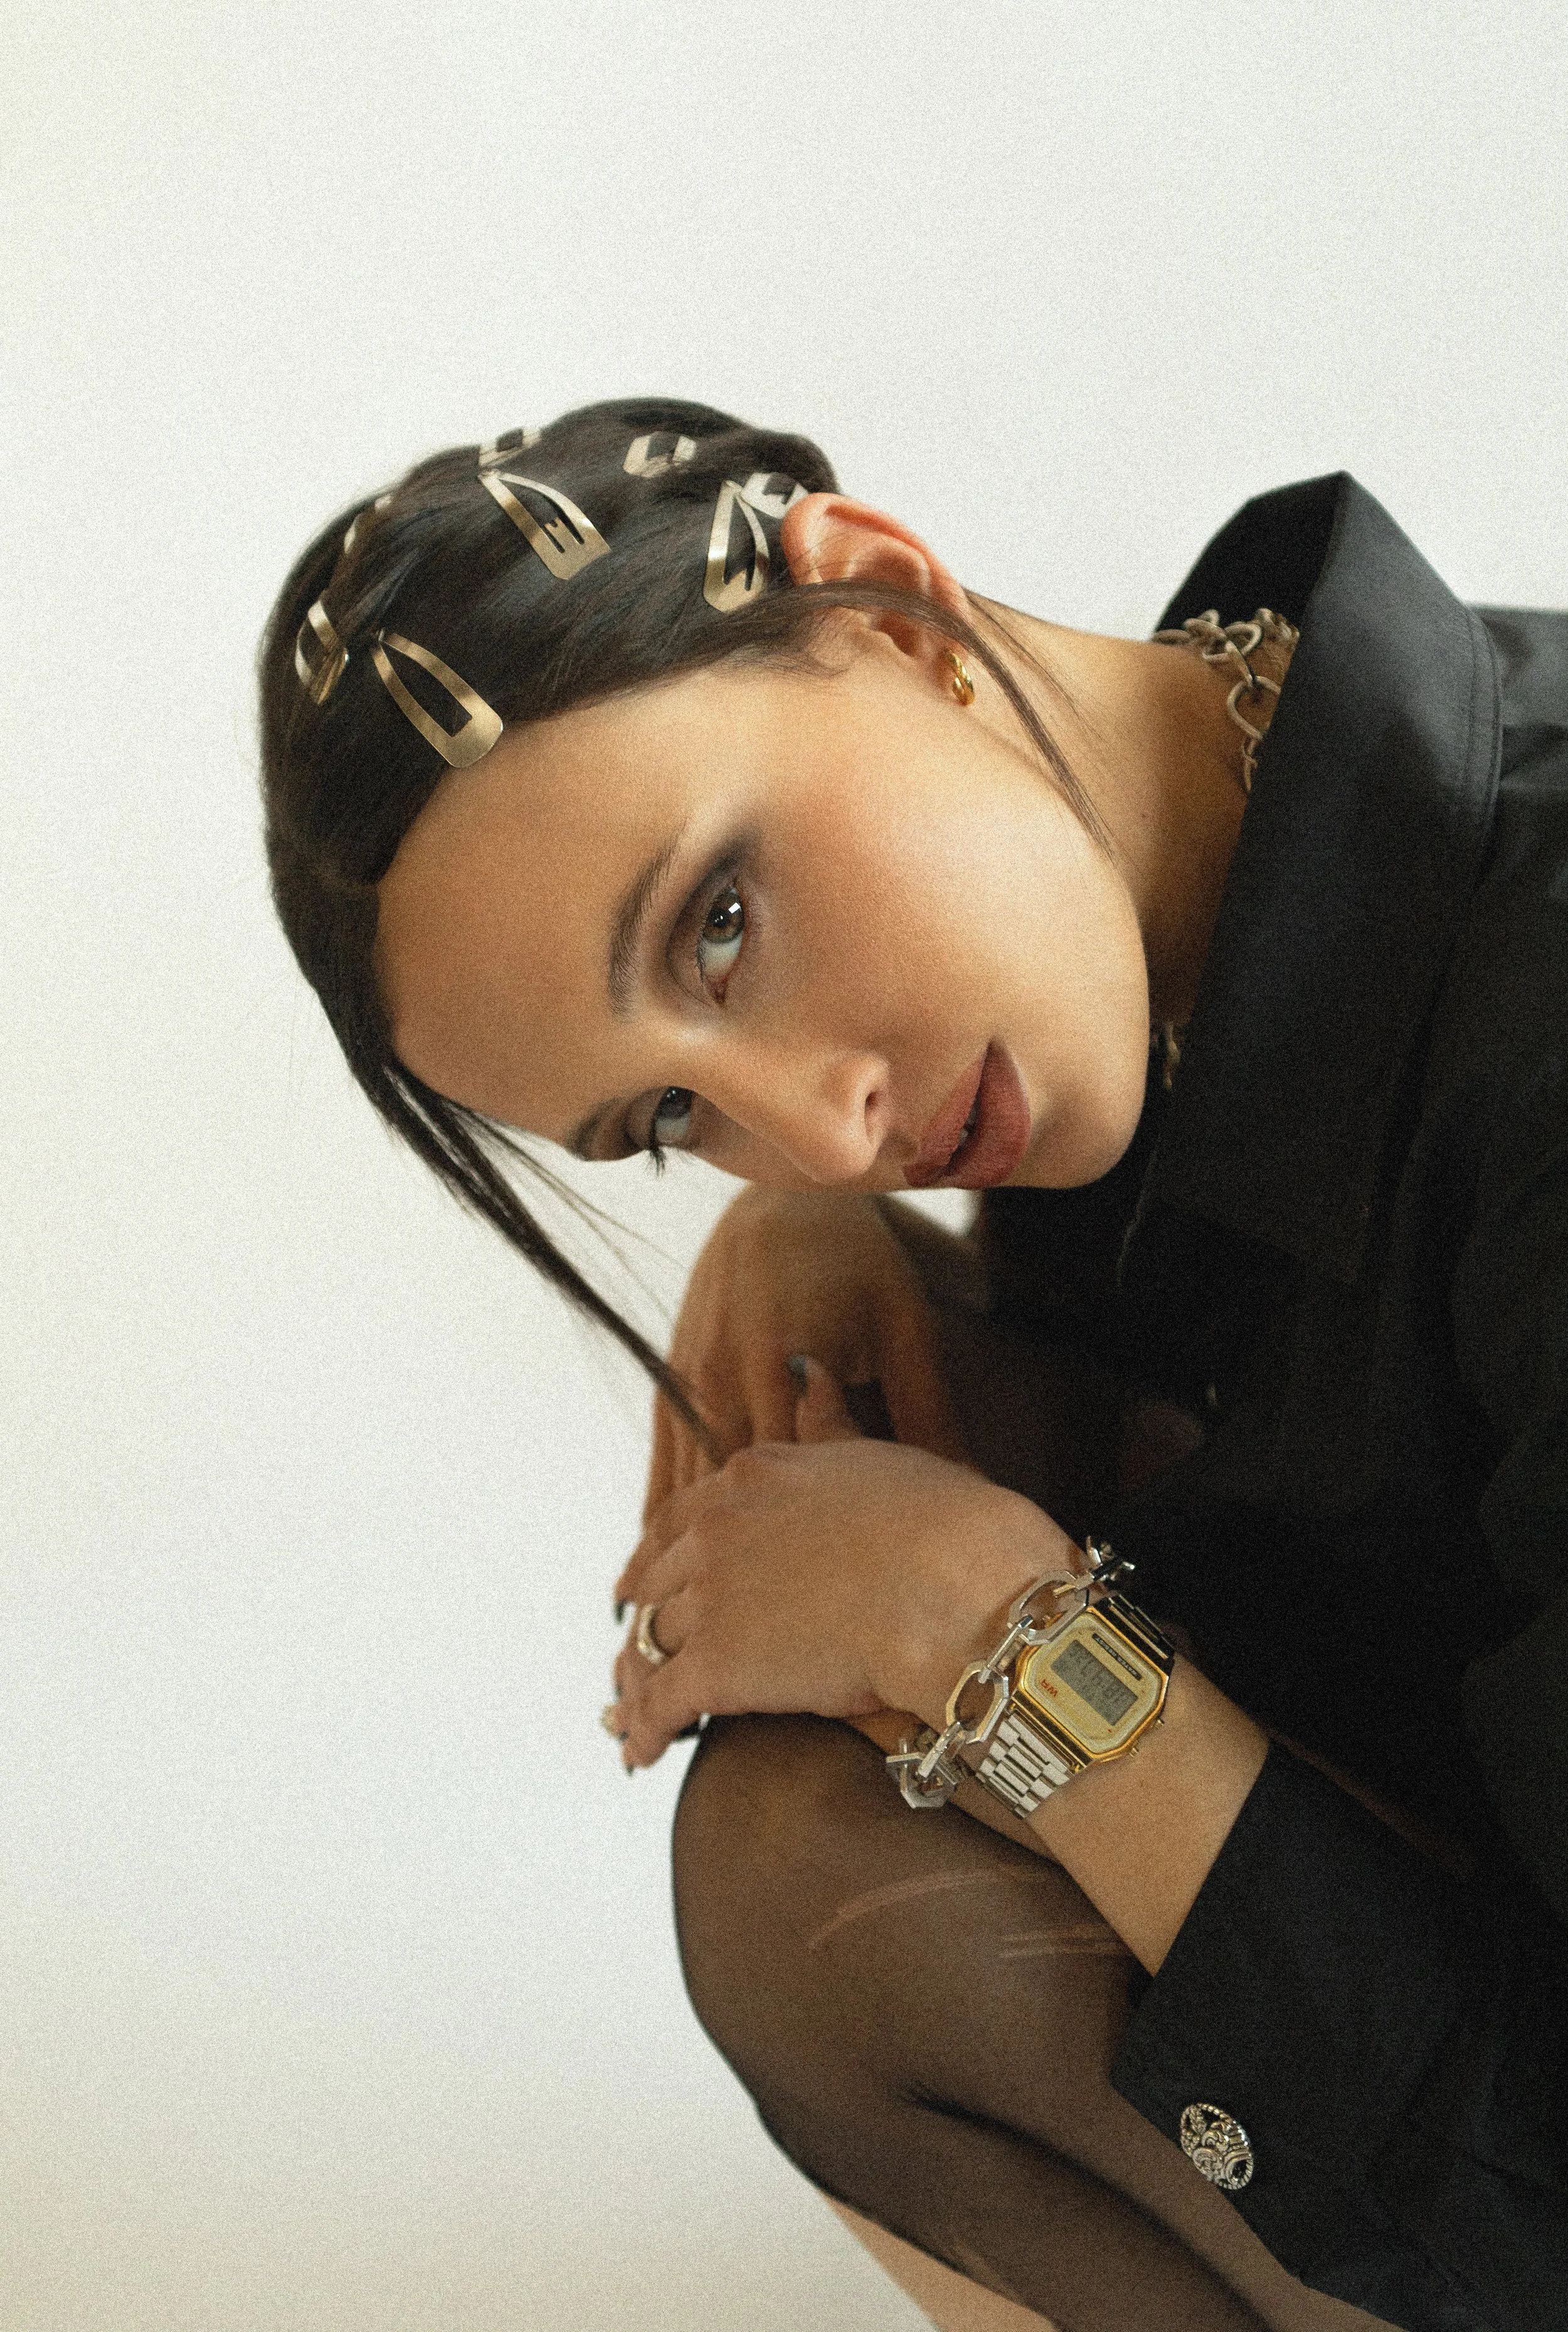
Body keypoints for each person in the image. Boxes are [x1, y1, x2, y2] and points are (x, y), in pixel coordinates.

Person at [258, 400, 1567, 2332]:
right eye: (665, 1119)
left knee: (842, 1871)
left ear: (886, 614)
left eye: (718, 924)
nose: (812, 1120)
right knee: (816, 1818)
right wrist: (875, 1258)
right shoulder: (1189, 891)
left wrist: (1010, 1647)